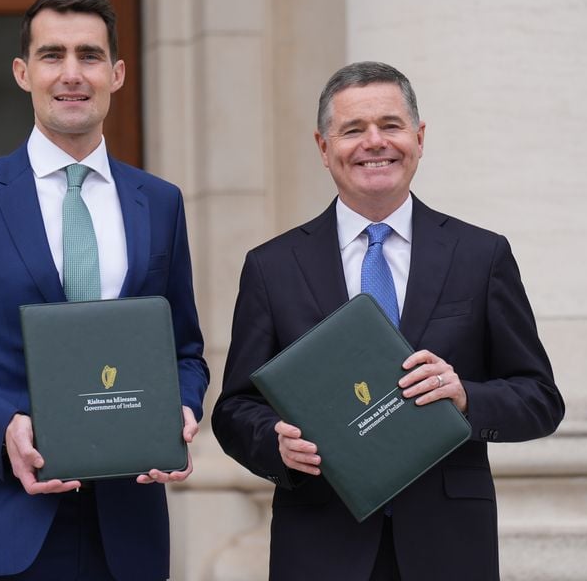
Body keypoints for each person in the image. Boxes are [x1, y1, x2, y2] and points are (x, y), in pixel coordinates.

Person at [0, 0, 208, 581]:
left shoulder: (159, 203)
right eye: (52, 55)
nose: (71, 74)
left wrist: (181, 408)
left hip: (127, 533)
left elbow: (184, 348)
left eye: (89, 55)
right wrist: (1, 427)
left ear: (117, 73)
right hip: (0, 524)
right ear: (22, 72)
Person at [211, 61, 564, 581]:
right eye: (353, 130)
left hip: (449, 548)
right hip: (321, 545)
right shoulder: (272, 267)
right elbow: (235, 409)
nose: (374, 142)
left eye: (391, 126)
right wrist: (276, 444)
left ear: (419, 139)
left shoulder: (480, 255)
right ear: (323, 147)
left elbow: (540, 400)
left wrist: (465, 396)